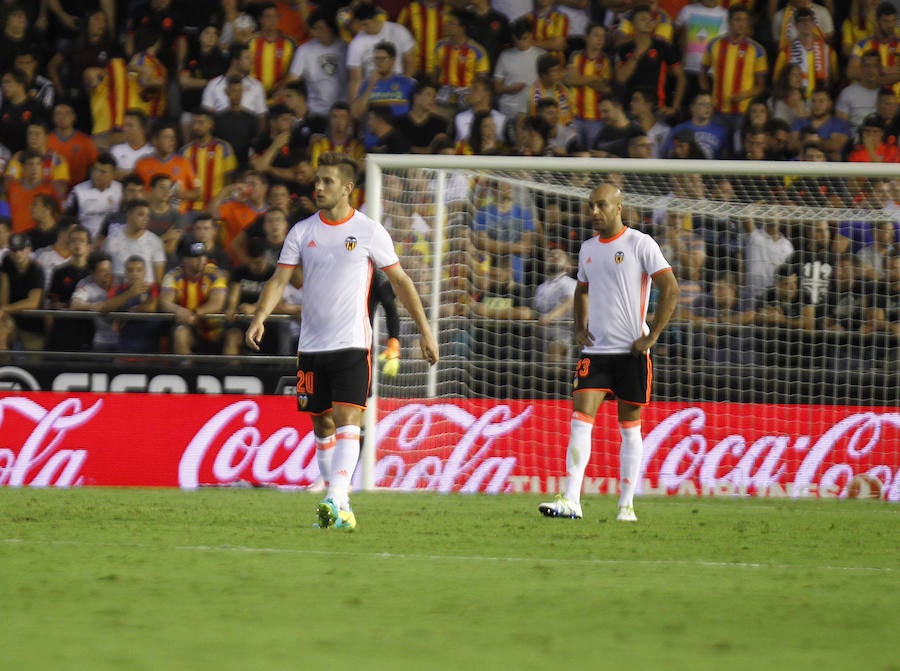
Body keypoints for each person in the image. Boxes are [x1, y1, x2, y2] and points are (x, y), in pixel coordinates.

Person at [244, 151, 439, 530]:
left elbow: (400, 282)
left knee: (348, 417)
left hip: (353, 343)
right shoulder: (302, 231)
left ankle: (337, 499)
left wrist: (425, 331)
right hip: (311, 347)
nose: (318, 187)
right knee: (321, 425)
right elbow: (279, 279)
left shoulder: (368, 230)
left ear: (347, 188)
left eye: (327, 181)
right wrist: (260, 316)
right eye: (317, 181)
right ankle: (338, 502)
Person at [539, 183, 679, 522]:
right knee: (579, 421)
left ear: (619, 207)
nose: (594, 212)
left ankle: (626, 505)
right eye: (591, 206)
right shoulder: (587, 249)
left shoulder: (640, 243)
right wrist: (578, 326)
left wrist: (652, 336)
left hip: (632, 352)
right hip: (597, 351)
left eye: (601, 205)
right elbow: (582, 291)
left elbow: (670, 287)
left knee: (630, 428)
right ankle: (572, 499)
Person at [159, 238, 228, 355]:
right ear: (185, 260)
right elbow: (165, 302)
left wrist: (194, 313)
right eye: (196, 257)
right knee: (180, 333)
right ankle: (186, 370)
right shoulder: (172, 276)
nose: (202, 260)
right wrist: (179, 310)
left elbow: (217, 304)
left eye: (203, 256)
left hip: (214, 328)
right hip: (187, 326)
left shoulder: (216, 274)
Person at [0, 232, 45, 351]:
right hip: (13, 318)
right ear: (9, 251)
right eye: (14, 250)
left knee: (34, 363)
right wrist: (3, 313)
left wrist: (4, 309)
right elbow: (5, 286)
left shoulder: (36, 270)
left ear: (29, 249)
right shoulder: (7, 261)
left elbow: (33, 303)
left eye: (21, 249)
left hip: (33, 324)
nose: (18, 253)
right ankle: (3, 366)